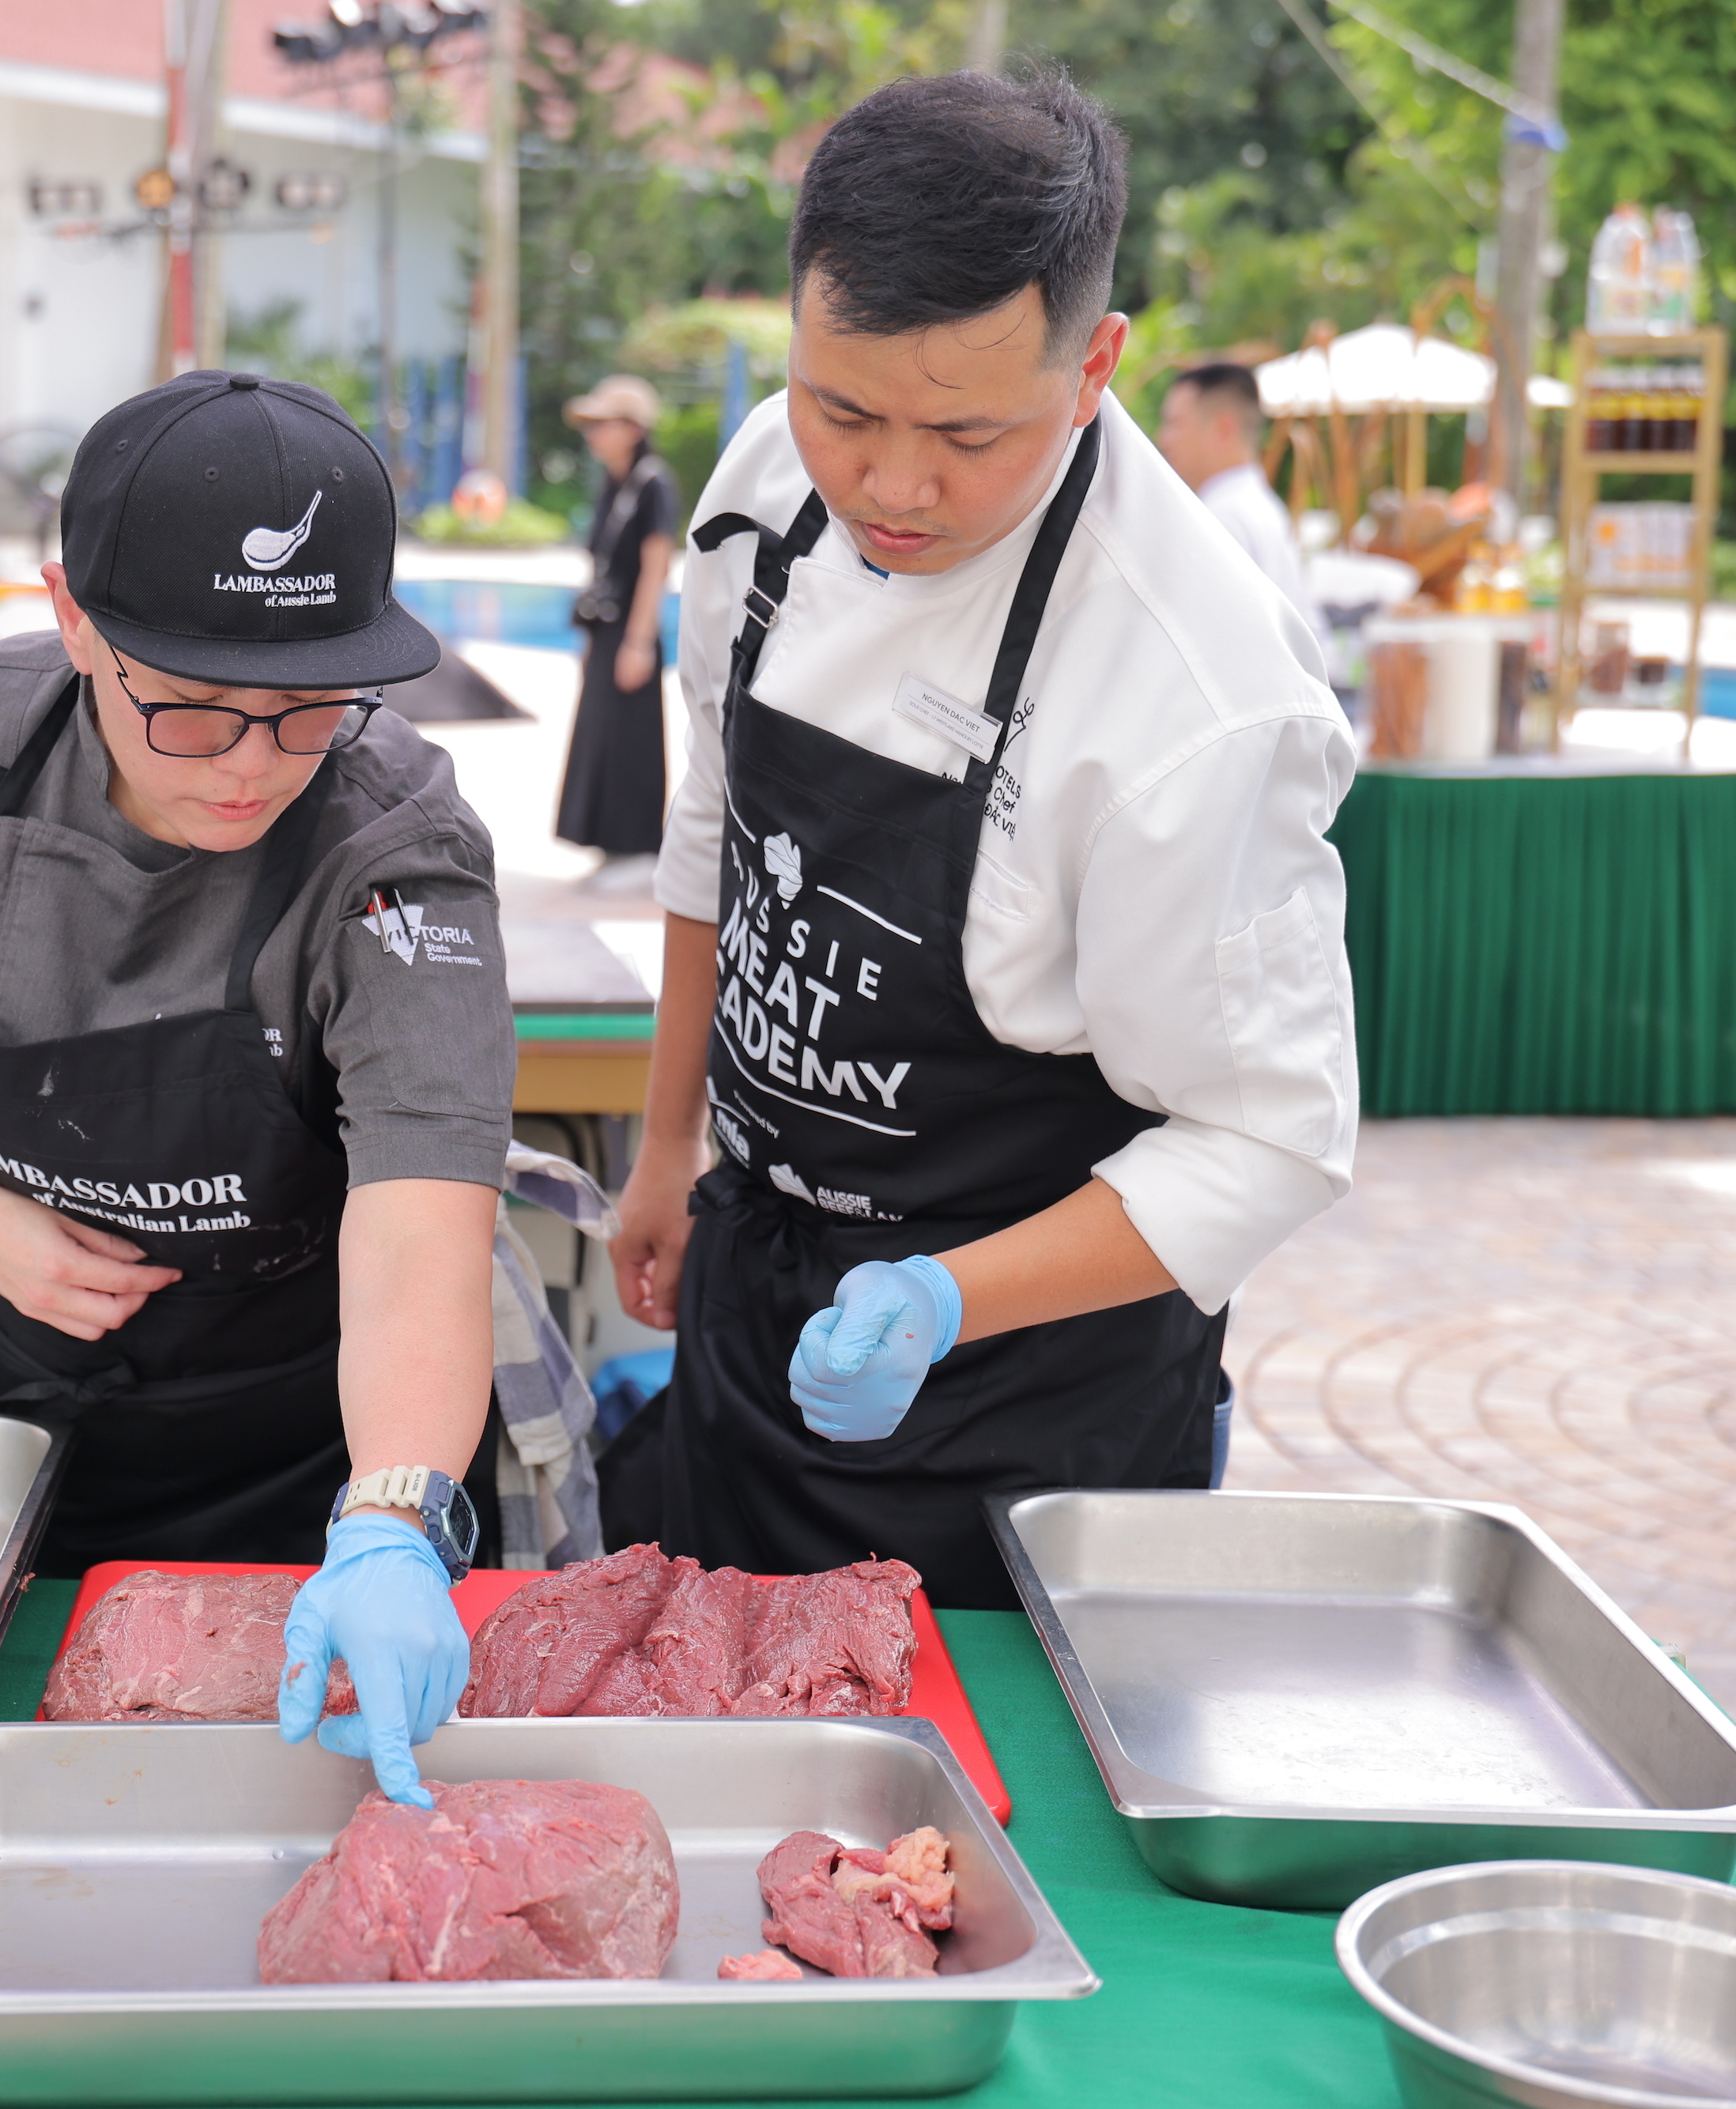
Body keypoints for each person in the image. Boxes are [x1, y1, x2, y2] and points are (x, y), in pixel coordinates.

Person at [599, 70, 1357, 1609]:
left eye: (964, 432)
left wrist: (938, 1296)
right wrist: (667, 1143)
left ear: (1093, 365)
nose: (889, 482)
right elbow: (714, 824)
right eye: (842, 406)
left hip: (1027, 1391)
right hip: (755, 1284)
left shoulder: (1194, 693)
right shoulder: (765, 480)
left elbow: (1268, 1138)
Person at [0, 371, 514, 1804]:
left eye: (310, 712)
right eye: (189, 710)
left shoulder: (398, 847)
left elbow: (425, 1229)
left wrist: (392, 1520)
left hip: (297, 1455)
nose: (254, 768)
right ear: (73, 617)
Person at [556, 374, 678, 886]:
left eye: (602, 424)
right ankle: (608, 843)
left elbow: (655, 566)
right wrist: (591, 639)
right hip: (607, 631)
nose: (593, 435)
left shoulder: (653, 483)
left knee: (632, 737)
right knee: (600, 734)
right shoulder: (614, 482)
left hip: (632, 630)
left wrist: (638, 641)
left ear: (632, 427)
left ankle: (640, 851)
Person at [1153, 361, 1315, 631]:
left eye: (1175, 424)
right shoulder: (1254, 505)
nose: (1163, 439)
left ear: (1224, 428)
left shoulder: (1221, 519)